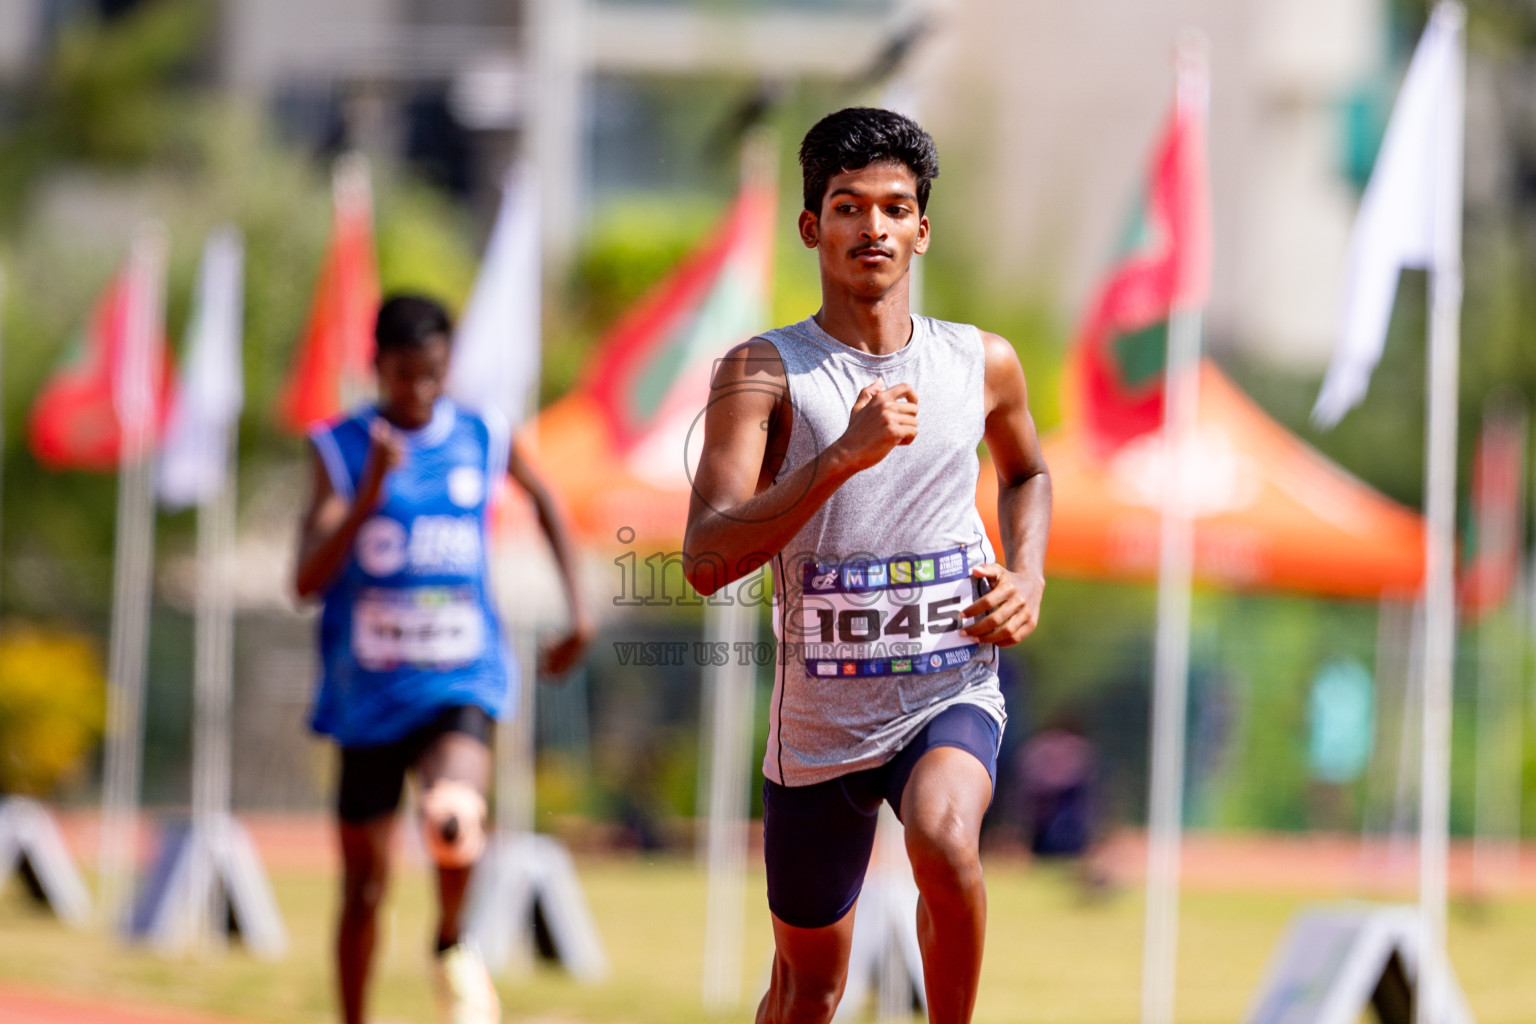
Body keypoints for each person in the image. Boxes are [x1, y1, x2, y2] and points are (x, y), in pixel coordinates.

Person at [684, 108, 1052, 1024]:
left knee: (943, 837)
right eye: (849, 207)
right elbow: (704, 558)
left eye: (895, 209)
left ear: (923, 229)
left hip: (949, 682)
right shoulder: (762, 374)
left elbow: (1031, 473)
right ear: (813, 227)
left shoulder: (982, 362)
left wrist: (1028, 575)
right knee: (809, 989)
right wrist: (838, 456)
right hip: (816, 727)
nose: (873, 228)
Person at [294, 294, 591, 1024]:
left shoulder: (485, 435)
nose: (417, 392)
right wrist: (368, 496)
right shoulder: (339, 447)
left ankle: (451, 942)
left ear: (446, 364)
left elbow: (548, 502)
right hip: (365, 692)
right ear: (377, 368)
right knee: (364, 884)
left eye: (430, 374)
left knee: (454, 817)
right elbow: (304, 579)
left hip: (460, 674)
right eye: (401, 376)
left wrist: (577, 610)